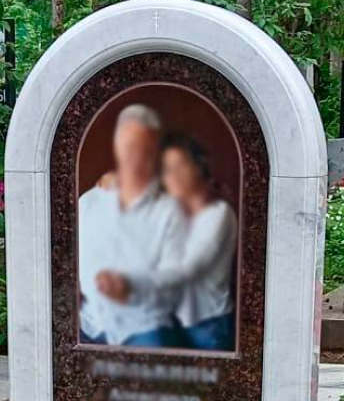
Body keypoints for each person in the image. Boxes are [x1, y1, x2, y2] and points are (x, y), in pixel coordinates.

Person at [95, 134, 237, 350]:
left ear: (199, 166)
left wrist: (127, 282)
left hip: (208, 329)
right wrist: (118, 182)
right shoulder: (170, 212)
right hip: (174, 325)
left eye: (180, 165)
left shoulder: (218, 214)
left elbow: (186, 270)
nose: (174, 175)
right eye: (167, 170)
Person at [78, 105, 187, 347]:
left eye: (144, 148)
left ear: (156, 152)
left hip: (144, 328)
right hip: (89, 326)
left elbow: (175, 279)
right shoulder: (88, 203)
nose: (135, 157)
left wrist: (129, 287)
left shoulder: (170, 211)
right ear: (117, 145)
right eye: (129, 146)